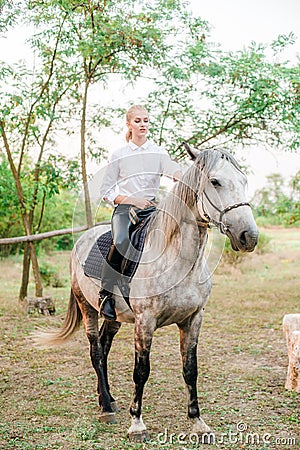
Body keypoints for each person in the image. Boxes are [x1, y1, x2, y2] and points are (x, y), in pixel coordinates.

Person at [99, 105, 182, 320]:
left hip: (152, 209)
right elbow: (106, 191)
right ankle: (106, 294)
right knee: (120, 241)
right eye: (137, 121)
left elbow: (171, 168)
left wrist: (179, 175)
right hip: (125, 209)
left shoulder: (159, 152)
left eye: (145, 120)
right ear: (129, 124)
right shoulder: (119, 154)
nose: (142, 124)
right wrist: (132, 200)